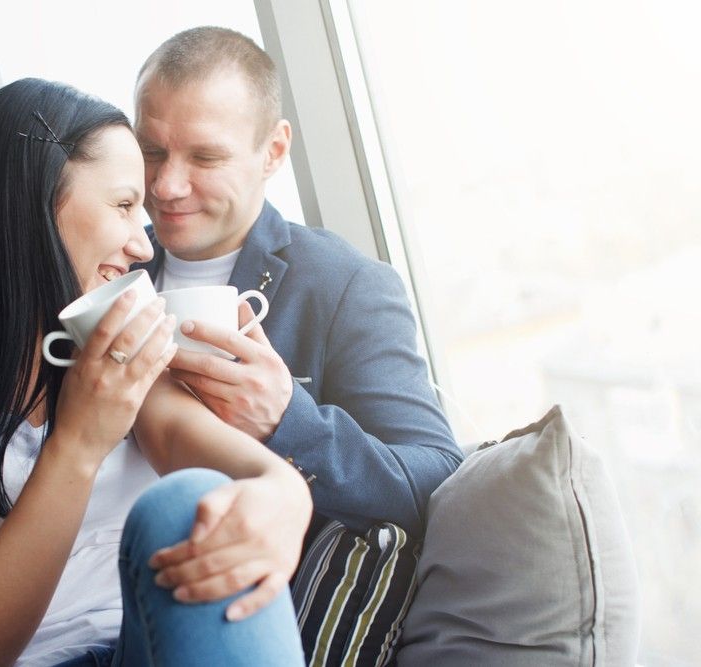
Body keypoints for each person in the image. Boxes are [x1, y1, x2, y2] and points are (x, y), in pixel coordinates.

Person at [0, 78, 310, 667]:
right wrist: (79, 442)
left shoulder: (110, 339)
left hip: (159, 644)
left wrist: (286, 495)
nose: (144, 246)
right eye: (125, 206)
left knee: (187, 504)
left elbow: (228, 460)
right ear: (32, 207)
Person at [132, 27, 462, 544]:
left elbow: (437, 483)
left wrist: (287, 421)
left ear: (274, 150)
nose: (165, 185)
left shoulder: (344, 286)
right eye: (151, 150)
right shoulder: (106, 270)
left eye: (205, 158)